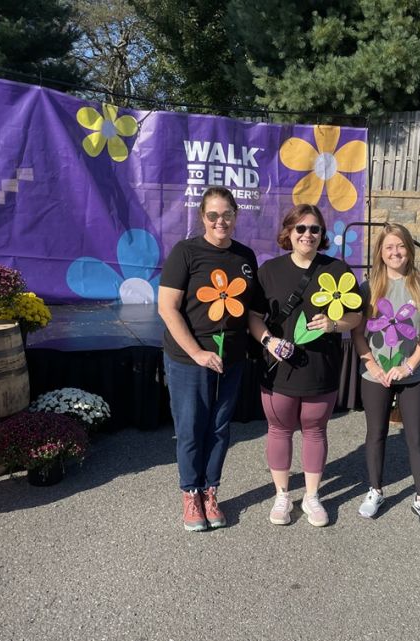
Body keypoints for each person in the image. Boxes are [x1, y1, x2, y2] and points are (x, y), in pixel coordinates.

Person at [249, 204, 362, 527]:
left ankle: (312, 496)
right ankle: (282, 495)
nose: (307, 235)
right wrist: (269, 341)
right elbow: (254, 318)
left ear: (322, 235)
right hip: (279, 368)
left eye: (314, 229)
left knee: (315, 430)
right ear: (288, 232)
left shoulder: (338, 269)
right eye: (300, 228)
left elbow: (357, 315)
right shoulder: (270, 270)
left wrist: (335, 324)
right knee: (279, 430)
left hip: (320, 367)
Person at [158, 187, 260, 532]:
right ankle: (190, 493)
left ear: (236, 216)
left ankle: (210, 491)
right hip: (189, 359)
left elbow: (249, 311)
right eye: (213, 215)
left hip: (231, 360)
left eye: (227, 214)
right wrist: (198, 353)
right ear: (203, 217)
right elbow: (167, 309)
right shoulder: (185, 252)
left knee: (219, 428)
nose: (221, 221)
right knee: (191, 428)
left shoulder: (245, 257)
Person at [350, 223, 420, 527]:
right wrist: (374, 367)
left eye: (401, 246)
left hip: (414, 375)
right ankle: (375, 490)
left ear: (410, 250)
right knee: (375, 435)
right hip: (375, 376)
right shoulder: (368, 288)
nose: (395, 252)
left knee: (416, 438)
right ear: (380, 252)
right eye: (389, 247)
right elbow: (358, 334)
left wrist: (409, 365)